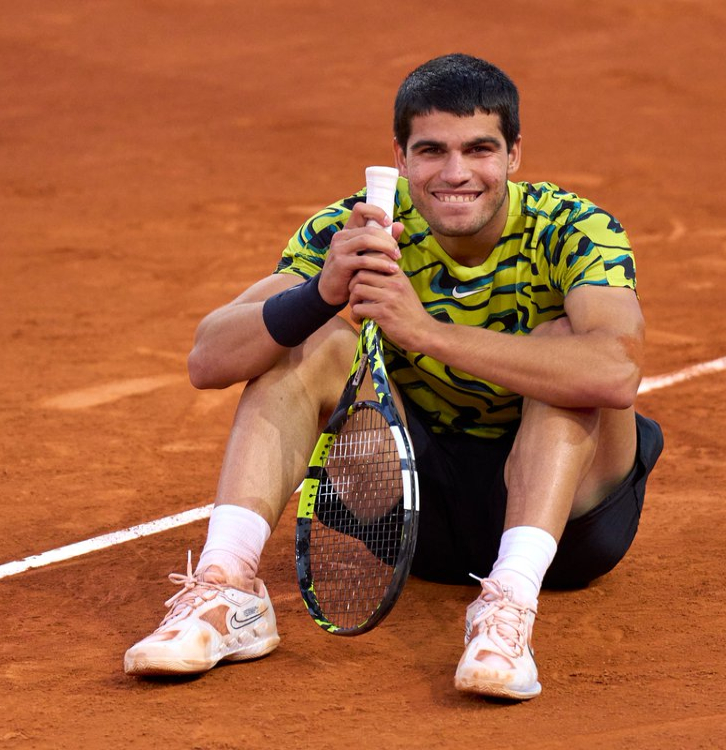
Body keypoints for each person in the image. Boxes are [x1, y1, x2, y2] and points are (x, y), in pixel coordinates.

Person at [123, 53, 663, 701]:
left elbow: (616, 374)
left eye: (479, 149)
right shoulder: (355, 228)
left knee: (566, 349)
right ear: (401, 158)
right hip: (413, 521)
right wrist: (320, 294)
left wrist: (425, 331)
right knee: (311, 339)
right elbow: (207, 359)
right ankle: (226, 591)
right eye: (431, 150)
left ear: (514, 155)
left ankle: (506, 610)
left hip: (571, 527)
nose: (456, 173)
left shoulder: (573, 229)